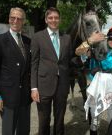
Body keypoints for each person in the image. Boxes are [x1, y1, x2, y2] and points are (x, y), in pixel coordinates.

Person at [76, 26, 112, 135]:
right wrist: (90, 40)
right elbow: (78, 52)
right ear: (108, 37)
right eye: (111, 37)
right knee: (94, 119)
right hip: (96, 90)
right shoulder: (95, 51)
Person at [0, 7, 32, 135]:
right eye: (13, 18)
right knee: (8, 130)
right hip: (8, 96)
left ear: (23, 21)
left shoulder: (28, 41)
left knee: (24, 130)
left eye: (19, 18)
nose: (15, 21)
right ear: (9, 19)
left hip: (25, 95)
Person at [31, 7, 72, 135]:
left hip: (62, 85)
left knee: (59, 119)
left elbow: (70, 60)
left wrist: (84, 55)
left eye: (56, 18)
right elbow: (34, 63)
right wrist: (33, 88)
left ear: (59, 19)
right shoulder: (38, 37)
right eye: (50, 18)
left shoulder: (67, 38)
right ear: (46, 20)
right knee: (44, 120)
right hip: (44, 85)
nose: (53, 20)